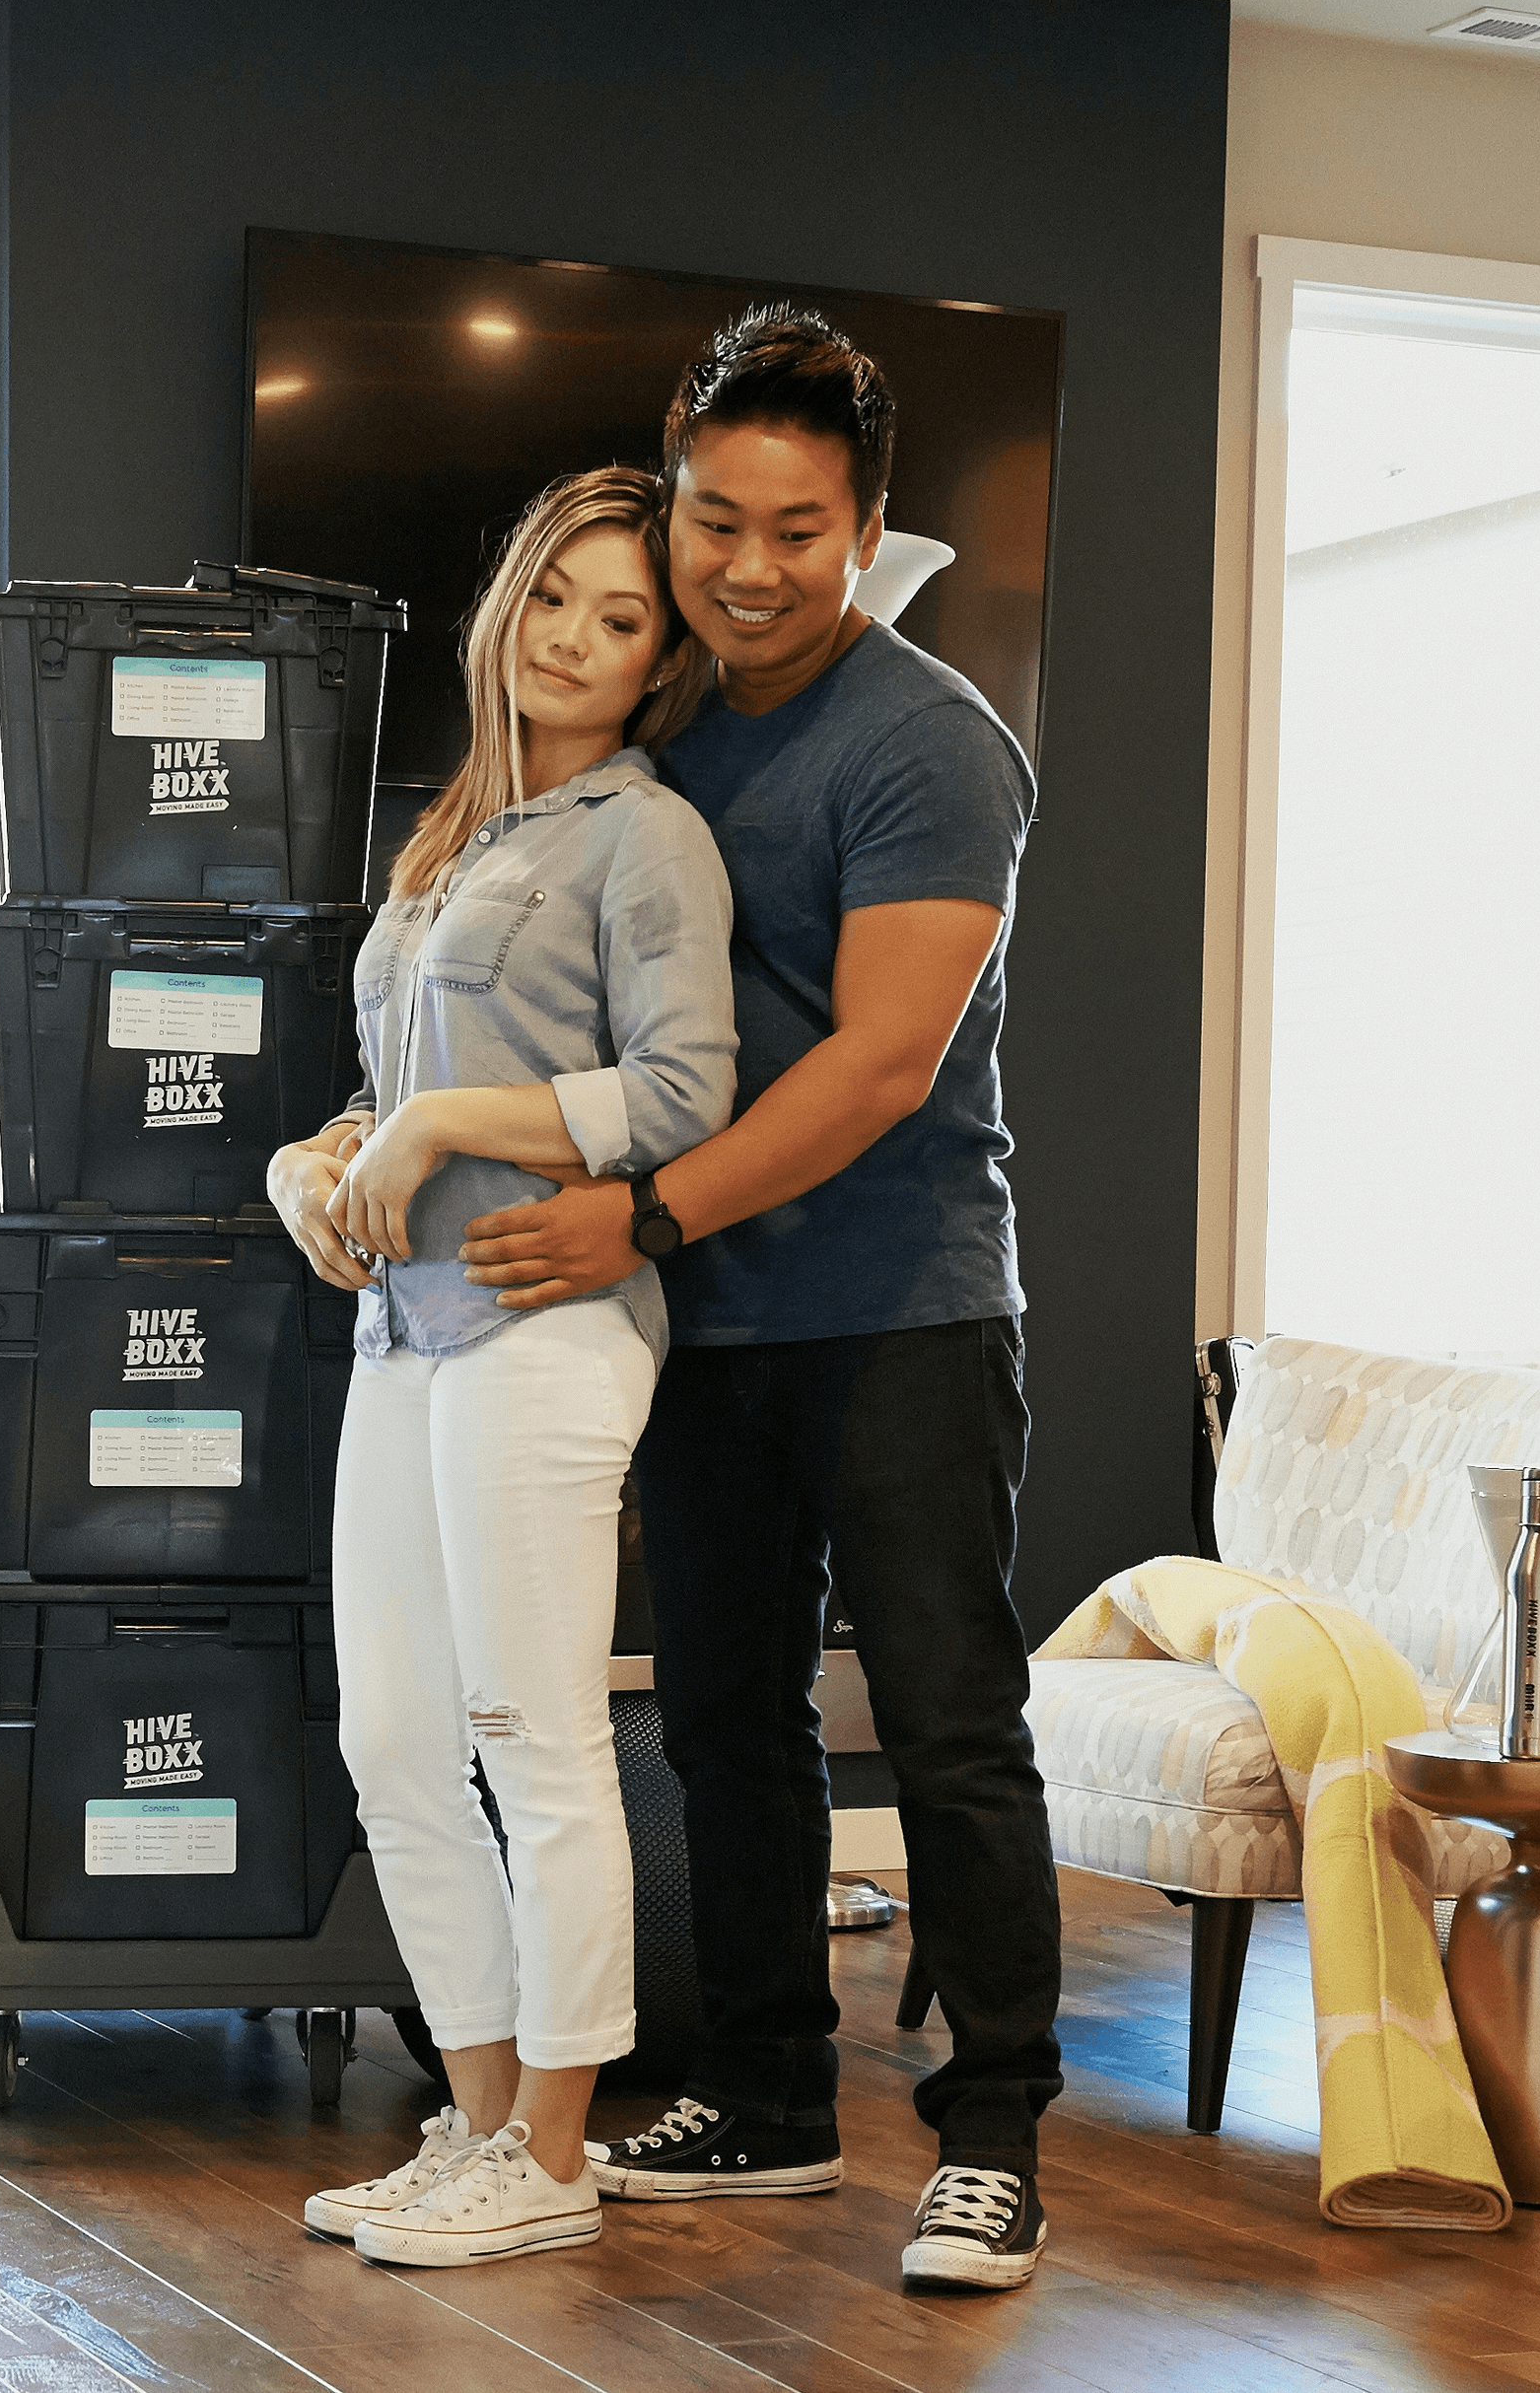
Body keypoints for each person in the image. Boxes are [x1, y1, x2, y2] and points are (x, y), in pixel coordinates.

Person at [457, 308, 1062, 2291]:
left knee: (948, 1720)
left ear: (863, 527)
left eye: (795, 529)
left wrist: (635, 1213)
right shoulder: (668, 732)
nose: (743, 565)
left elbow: (879, 1061)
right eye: (713, 518)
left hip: (896, 1302)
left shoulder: (931, 743)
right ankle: (771, 2089)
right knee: (724, 1717)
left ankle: (989, 2134)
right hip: (707, 1314)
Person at [268, 466, 735, 2273]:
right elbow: (390, 1101)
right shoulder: (452, 839)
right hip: (407, 1328)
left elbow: (689, 1096)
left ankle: (554, 2149)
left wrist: (450, 1115)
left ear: (658, 664)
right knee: (391, 1738)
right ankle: (472, 2128)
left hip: (548, 1324)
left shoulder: (646, 837)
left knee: (533, 1739)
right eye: (560, 595)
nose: (579, 640)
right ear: (506, 599)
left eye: (625, 621)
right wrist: (315, 1161)